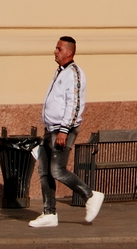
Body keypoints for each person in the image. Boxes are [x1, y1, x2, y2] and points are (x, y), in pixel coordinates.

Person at [29, 36, 104, 228]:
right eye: (56, 48)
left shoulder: (74, 74)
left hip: (63, 130)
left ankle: (90, 195)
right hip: (50, 129)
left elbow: (75, 104)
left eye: (59, 48)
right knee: (44, 171)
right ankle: (49, 213)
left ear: (69, 52)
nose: (55, 51)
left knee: (57, 170)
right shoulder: (60, 72)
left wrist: (64, 130)